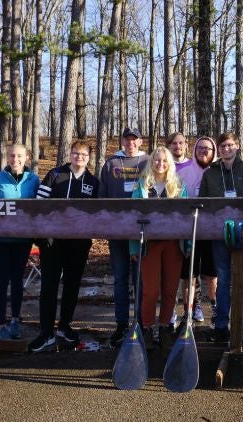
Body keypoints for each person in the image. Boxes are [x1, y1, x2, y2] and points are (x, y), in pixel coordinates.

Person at [28, 140, 100, 353]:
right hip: (52, 241)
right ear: (70, 154)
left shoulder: (93, 182)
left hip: (78, 243)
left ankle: (64, 327)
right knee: (49, 286)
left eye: (83, 155)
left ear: (88, 158)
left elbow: (97, 214)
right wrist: (41, 236)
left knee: (72, 285)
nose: (79, 157)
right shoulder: (55, 174)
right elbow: (39, 204)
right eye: (76, 153)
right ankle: (46, 333)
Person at [199, 132, 243, 343]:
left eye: (230, 145)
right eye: (223, 146)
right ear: (219, 150)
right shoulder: (210, 174)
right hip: (219, 234)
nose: (226, 149)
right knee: (223, 279)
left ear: (237, 147)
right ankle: (221, 325)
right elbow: (204, 203)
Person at [129, 146, 189, 351]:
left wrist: (187, 245)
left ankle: (165, 328)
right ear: (151, 162)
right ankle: (146, 328)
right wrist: (133, 247)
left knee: (170, 290)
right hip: (149, 245)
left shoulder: (179, 185)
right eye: (156, 160)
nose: (160, 164)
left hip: (173, 244)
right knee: (151, 291)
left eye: (164, 160)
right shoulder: (142, 185)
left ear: (169, 163)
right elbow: (132, 219)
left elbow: (188, 217)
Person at [98, 127, 148, 346]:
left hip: (141, 231)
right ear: (122, 141)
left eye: (134, 139)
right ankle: (121, 324)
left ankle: (140, 322)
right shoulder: (111, 164)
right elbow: (102, 197)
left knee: (140, 279)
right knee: (120, 279)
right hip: (117, 231)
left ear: (140, 141)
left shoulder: (148, 162)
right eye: (127, 139)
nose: (130, 143)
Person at [0, 143, 40, 340]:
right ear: (7, 158)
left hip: (22, 239)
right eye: (11, 156)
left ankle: (16, 320)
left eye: (19, 156)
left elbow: (38, 209)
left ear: (27, 158)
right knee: (0, 280)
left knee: (17, 279)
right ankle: (0, 325)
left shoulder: (33, 180)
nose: (15, 159)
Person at [176, 136, 219, 324]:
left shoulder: (219, 172)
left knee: (212, 274)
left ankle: (216, 307)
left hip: (212, 231)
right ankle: (189, 310)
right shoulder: (183, 172)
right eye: (200, 148)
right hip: (189, 230)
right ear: (194, 150)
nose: (203, 151)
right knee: (189, 274)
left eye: (207, 148)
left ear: (213, 151)